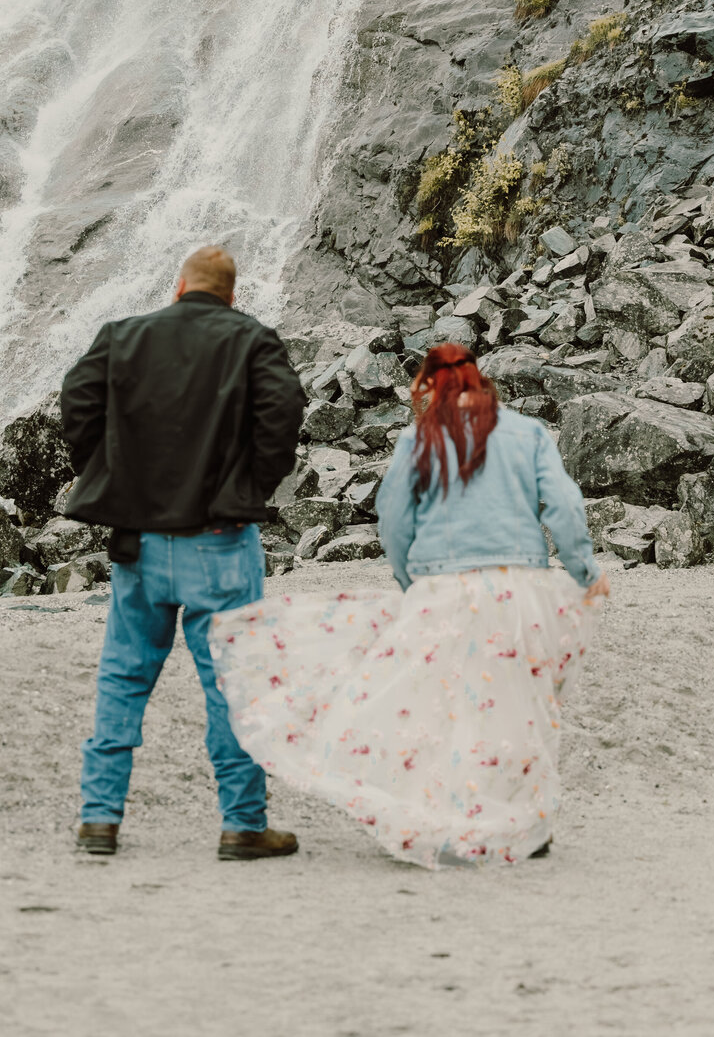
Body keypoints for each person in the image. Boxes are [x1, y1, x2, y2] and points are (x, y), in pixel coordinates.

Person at [209, 342, 609, 869]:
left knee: (446, 707)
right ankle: (525, 827)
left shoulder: (418, 440)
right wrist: (585, 571)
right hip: (519, 588)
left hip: (443, 587)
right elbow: (563, 505)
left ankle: (447, 821)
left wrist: (409, 583)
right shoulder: (526, 433)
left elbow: (393, 520)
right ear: (481, 382)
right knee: (519, 705)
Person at [60, 244, 306, 862]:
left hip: (138, 539)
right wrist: (248, 487)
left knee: (123, 677)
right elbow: (284, 411)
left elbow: (77, 399)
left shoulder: (123, 336)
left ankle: (99, 821)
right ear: (230, 295)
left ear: (178, 287)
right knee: (231, 682)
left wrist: (106, 474)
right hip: (219, 542)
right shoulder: (252, 340)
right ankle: (242, 826)